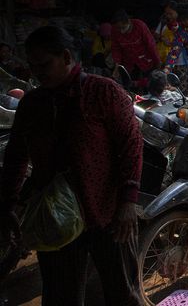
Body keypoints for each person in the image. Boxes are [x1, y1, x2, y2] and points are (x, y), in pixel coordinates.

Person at [1, 26, 143, 305]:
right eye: (32, 66)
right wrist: (7, 205)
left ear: (66, 57)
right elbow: (17, 157)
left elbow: (131, 147)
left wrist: (128, 202)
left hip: (109, 213)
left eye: (44, 64)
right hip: (54, 219)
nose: (37, 72)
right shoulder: (32, 104)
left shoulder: (103, 92)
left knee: (122, 293)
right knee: (61, 296)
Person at [110, 9, 160, 80]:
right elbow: (115, 48)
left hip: (146, 61)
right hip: (129, 64)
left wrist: (157, 62)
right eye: (118, 28)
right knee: (131, 86)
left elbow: (151, 45)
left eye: (123, 27)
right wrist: (117, 65)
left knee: (147, 83)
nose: (121, 31)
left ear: (128, 21)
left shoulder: (139, 26)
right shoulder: (114, 30)